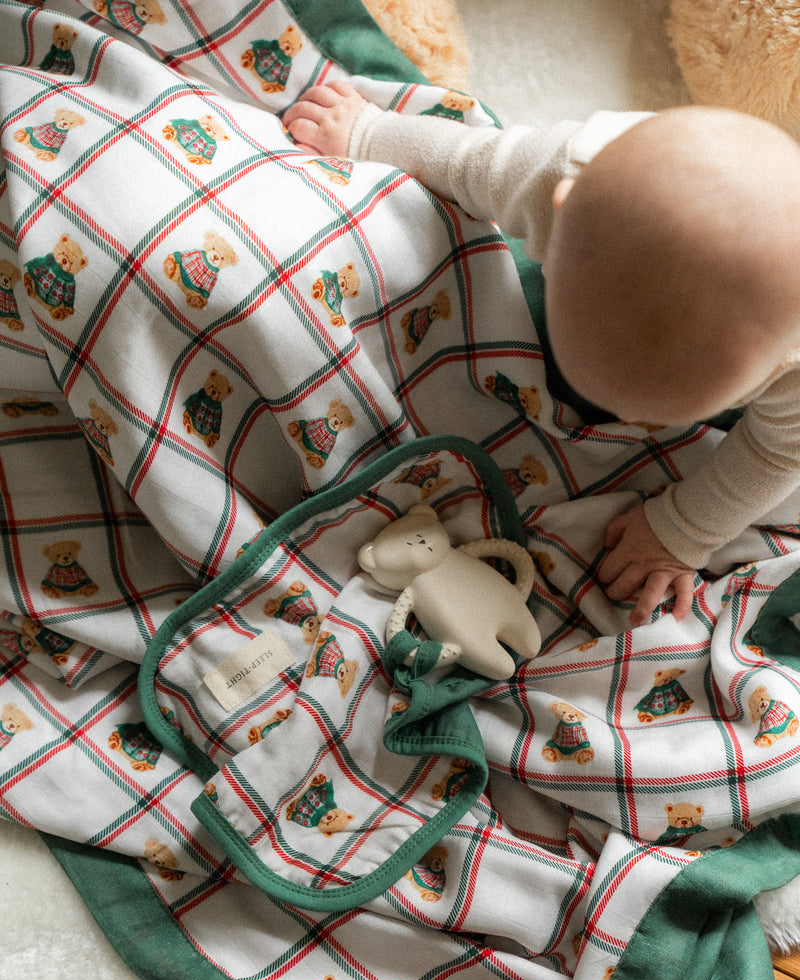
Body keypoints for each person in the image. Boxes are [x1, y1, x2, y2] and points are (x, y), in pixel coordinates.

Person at [284, 84, 800, 625]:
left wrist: (685, 529)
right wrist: (367, 131)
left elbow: (779, 451)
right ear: (562, 211)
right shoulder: (558, 171)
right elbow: (463, 160)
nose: (627, 423)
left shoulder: (790, 365)